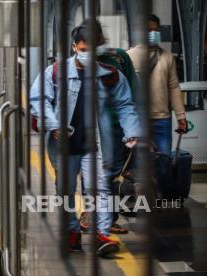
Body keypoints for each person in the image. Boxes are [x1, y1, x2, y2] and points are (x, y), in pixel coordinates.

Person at [29, 23, 141, 257]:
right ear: (73, 47)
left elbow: (125, 105)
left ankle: (101, 234)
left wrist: (132, 132)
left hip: (96, 144)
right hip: (64, 143)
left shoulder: (110, 75)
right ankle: (71, 232)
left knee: (98, 188)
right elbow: (39, 100)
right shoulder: (54, 72)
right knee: (65, 190)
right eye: (82, 48)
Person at [77, 19, 137, 235]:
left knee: (112, 174)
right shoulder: (77, 61)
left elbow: (133, 93)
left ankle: (107, 218)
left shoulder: (120, 58)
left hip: (116, 128)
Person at [127, 14, 188, 156]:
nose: (153, 34)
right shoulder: (129, 56)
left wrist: (180, 115)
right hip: (138, 120)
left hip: (162, 119)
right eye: (149, 30)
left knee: (164, 160)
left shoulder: (167, 57)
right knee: (139, 162)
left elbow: (173, 86)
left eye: (156, 30)